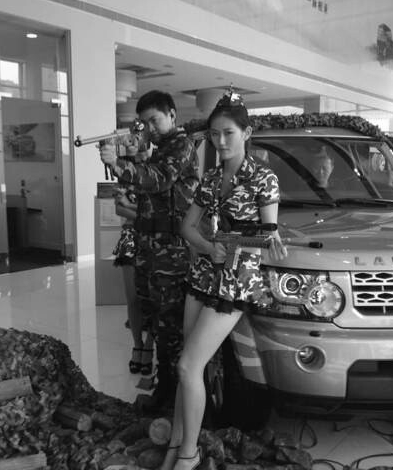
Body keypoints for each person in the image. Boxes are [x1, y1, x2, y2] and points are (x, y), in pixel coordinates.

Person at [162, 91, 287, 470]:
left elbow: (267, 235)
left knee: (188, 366)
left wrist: (270, 238)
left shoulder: (263, 177)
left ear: (246, 133)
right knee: (188, 367)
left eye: (228, 133)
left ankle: (189, 454)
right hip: (203, 275)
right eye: (214, 134)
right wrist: (207, 247)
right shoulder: (212, 177)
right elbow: (187, 227)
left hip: (235, 282)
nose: (220, 141)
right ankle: (174, 446)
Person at [99, 90, 199, 408]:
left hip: (171, 249)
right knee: (154, 317)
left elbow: (159, 179)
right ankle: (163, 385)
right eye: (144, 123)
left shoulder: (182, 145)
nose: (150, 128)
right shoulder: (159, 150)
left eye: (154, 120)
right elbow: (143, 186)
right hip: (150, 245)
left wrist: (118, 164)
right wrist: (125, 160)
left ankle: (172, 395)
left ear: (172, 115)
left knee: (170, 324)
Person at [111, 139, 154, 376]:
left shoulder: (159, 174)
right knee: (133, 299)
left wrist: (133, 210)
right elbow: (119, 208)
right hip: (131, 239)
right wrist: (146, 215)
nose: (136, 149)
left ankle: (149, 346)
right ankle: (137, 345)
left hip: (157, 241)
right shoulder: (125, 174)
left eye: (140, 144)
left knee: (155, 299)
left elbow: (162, 212)